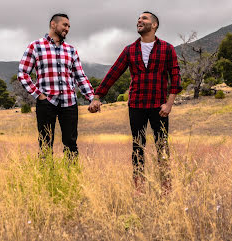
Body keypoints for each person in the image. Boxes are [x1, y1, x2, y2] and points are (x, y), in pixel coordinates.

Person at [89, 11, 182, 193]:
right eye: (139, 19)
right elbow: (114, 73)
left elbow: (176, 76)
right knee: (138, 147)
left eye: (144, 18)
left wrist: (169, 104)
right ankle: (139, 189)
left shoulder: (167, 48)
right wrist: (98, 96)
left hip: (159, 107)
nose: (140, 20)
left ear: (154, 25)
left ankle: (166, 189)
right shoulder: (130, 50)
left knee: (162, 146)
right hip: (136, 105)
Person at [18, 13, 95, 160]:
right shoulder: (36, 46)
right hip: (46, 103)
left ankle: (71, 178)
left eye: (69, 27)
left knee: (71, 144)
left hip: (69, 103)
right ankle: (46, 180)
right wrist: (38, 95)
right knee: (45, 145)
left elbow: (80, 76)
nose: (67, 29)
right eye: (64, 25)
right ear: (53, 24)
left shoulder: (71, 50)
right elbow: (22, 73)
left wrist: (92, 97)